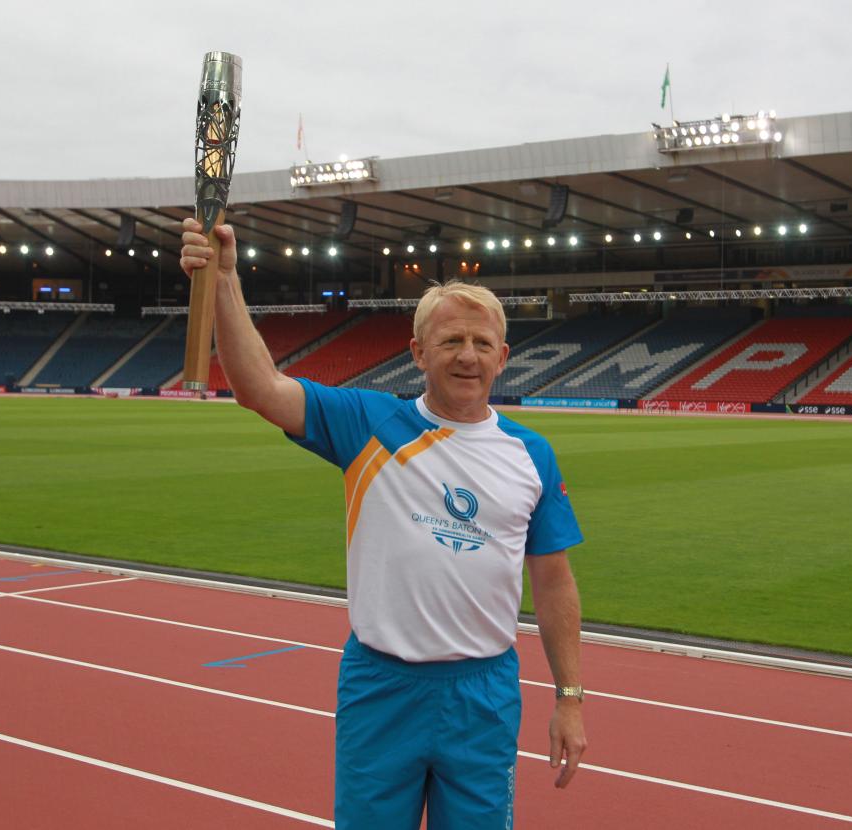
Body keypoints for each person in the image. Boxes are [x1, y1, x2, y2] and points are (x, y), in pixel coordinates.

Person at [180, 219, 587, 829]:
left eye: (481, 342)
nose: (467, 355)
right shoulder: (368, 423)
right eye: (450, 341)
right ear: (419, 352)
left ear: (503, 357)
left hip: (483, 694)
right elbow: (259, 387)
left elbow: (554, 582)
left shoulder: (532, 455)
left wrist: (569, 697)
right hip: (382, 685)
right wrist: (227, 280)